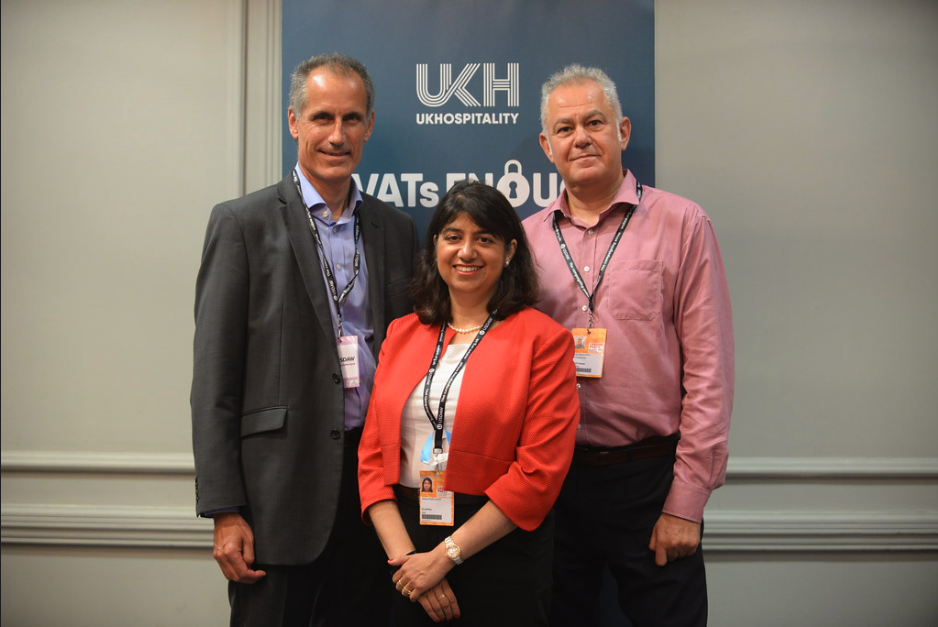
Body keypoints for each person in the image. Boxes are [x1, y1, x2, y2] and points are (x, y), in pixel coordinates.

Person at [191, 52, 418, 626]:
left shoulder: (396, 229)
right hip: (278, 496)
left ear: (369, 125)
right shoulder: (242, 224)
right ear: (294, 122)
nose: (337, 135)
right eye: (322, 118)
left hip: (376, 491)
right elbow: (215, 380)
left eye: (351, 119)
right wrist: (224, 509)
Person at [523, 65, 735, 626]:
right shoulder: (525, 241)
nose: (580, 138)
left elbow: (709, 372)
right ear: (546, 146)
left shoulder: (683, 224)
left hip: (651, 479)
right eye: (564, 128)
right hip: (553, 481)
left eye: (594, 122)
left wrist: (686, 503)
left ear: (623, 131)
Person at [358, 180, 580, 626]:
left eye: (484, 239)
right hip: (406, 548)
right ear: (435, 247)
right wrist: (409, 561)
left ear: (510, 251)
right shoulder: (402, 334)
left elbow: (538, 475)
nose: (466, 252)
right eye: (453, 236)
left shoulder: (545, 341)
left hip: (498, 550)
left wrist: (443, 558)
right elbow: (371, 461)